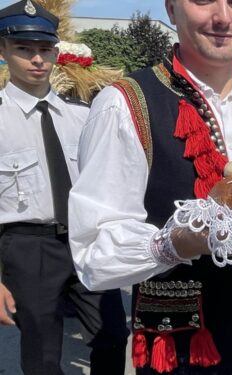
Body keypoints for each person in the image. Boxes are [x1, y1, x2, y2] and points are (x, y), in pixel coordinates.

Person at [68, 0, 232, 373]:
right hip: (187, 346)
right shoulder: (126, 104)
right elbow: (94, 251)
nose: (223, 17)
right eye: (202, 0)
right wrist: (173, 244)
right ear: (171, 9)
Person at [0, 1, 129, 374]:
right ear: (4, 51)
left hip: (86, 241)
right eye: (24, 49)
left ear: (56, 52)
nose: (37, 59)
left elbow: (108, 183)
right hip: (28, 247)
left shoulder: (84, 116)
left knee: (112, 335)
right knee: (41, 351)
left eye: (44, 49)